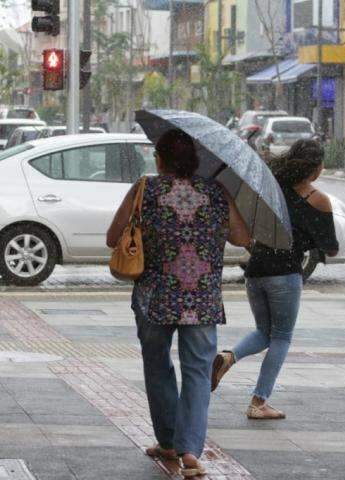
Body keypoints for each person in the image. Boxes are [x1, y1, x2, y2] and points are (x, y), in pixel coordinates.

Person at [106, 129, 251, 477]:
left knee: (157, 367)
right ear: (194, 161)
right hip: (201, 298)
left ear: (159, 160)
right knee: (199, 373)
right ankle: (190, 452)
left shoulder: (146, 188)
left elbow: (113, 237)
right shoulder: (216, 192)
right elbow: (244, 238)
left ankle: (168, 441)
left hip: (154, 298)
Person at [211, 139, 339, 419]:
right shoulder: (317, 199)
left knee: (263, 331)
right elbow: (331, 246)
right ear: (315, 169)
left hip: (256, 269)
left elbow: (249, 226)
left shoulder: (272, 190)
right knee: (281, 337)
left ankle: (229, 357)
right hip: (285, 272)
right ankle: (258, 402)